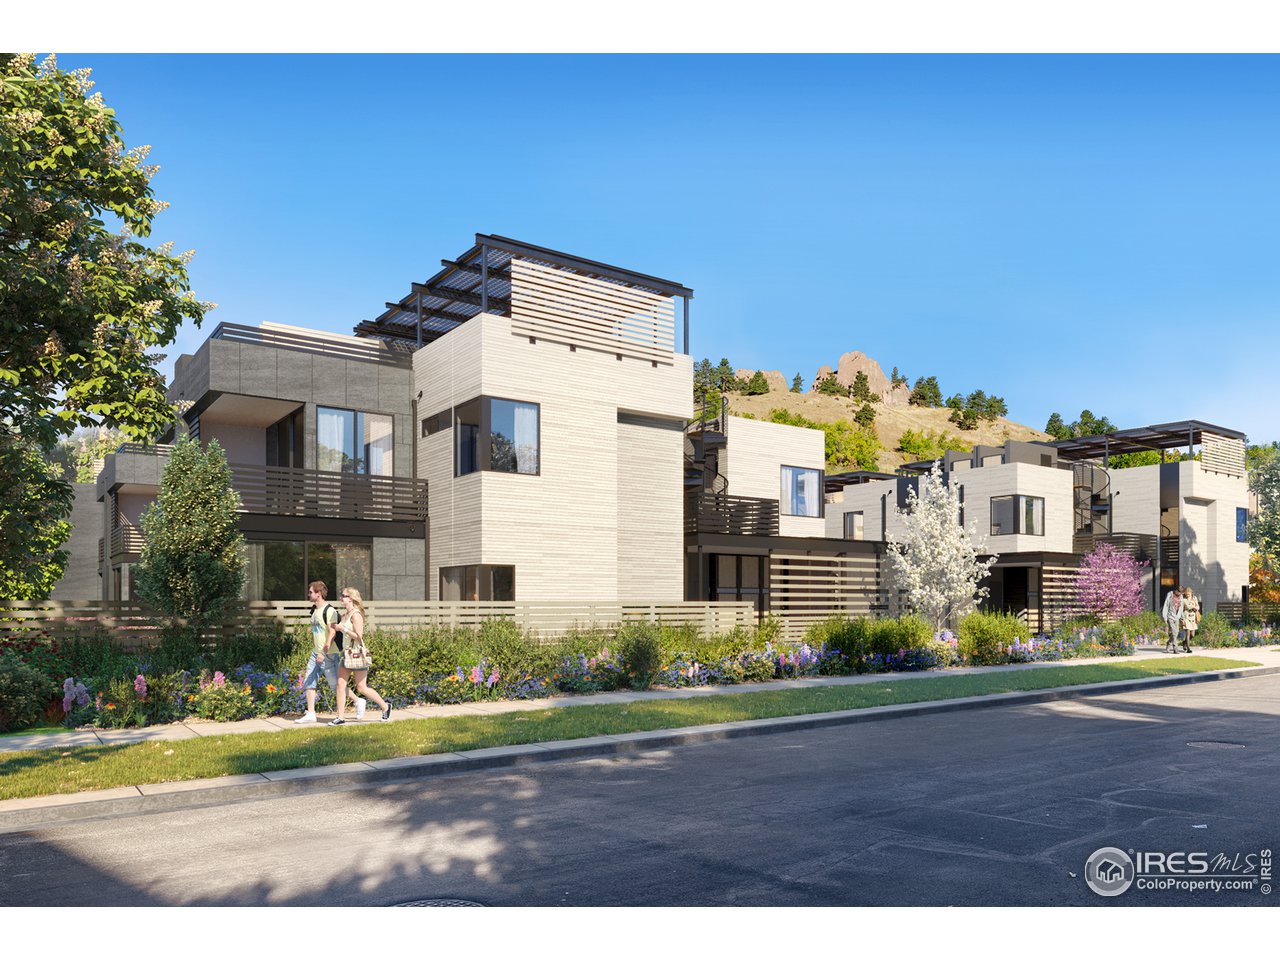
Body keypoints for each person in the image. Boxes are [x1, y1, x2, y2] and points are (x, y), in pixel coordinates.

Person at [295, 581, 365, 724]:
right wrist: (317, 650)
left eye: (311, 592)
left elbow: (332, 633)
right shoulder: (314, 610)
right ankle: (311, 713)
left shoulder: (330, 611)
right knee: (309, 679)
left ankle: (358, 701)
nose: (309, 594)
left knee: (336, 685)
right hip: (316, 652)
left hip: (329, 653)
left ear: (318, 593)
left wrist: (324, 651)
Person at [328, 587, 392, 725]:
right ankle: (340, 717)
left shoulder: (356, 614)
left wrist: (343, 628)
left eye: (343, 596)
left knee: (361, 687)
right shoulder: (345, 614)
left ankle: (385, 706)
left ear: (351, 598)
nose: (341, 598)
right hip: (346, 654)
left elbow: (358, 637)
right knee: (340, 685)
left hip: (356, 654)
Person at [1161, 587, 1182, 654]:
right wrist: (1164, 617)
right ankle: (1175, 648)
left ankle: (1168, 643)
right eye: (1179, 592)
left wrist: (1182, 618)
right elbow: (1166, 605)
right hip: (1170, 616)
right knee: (1173, 632)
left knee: (1176, 633)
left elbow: (1181, 608)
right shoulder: (1170, 595)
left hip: (1177, 617)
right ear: (1176, 590)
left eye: (1181, 592)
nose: (1180, 594)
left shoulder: (1181, 596)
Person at [1179, 586, 1200, 653]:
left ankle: (1184, 642)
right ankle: (1188, 648)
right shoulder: (1182, 599)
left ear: (1191, 592)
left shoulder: (1194, 598)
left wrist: (1196, 608)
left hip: (1193, 617)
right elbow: (1181, 608)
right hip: (1186, 616)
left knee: (1192, 634)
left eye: (1189, 593)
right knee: (1187, 633)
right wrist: (1181, 619)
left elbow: (1197, 606)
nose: (1187, 595)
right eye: (1186, 593)